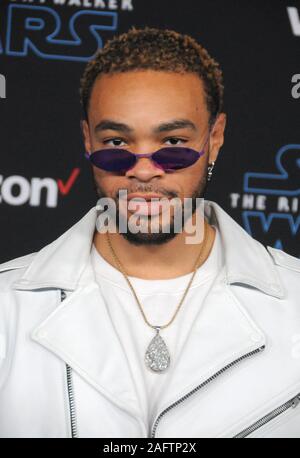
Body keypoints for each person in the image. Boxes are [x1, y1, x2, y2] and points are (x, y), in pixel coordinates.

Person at [0, 27, 300, 439]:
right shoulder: (7, 308)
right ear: (88, 141)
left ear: (214, 139)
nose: (143, 170)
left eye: (173, 143)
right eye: (117, 143)